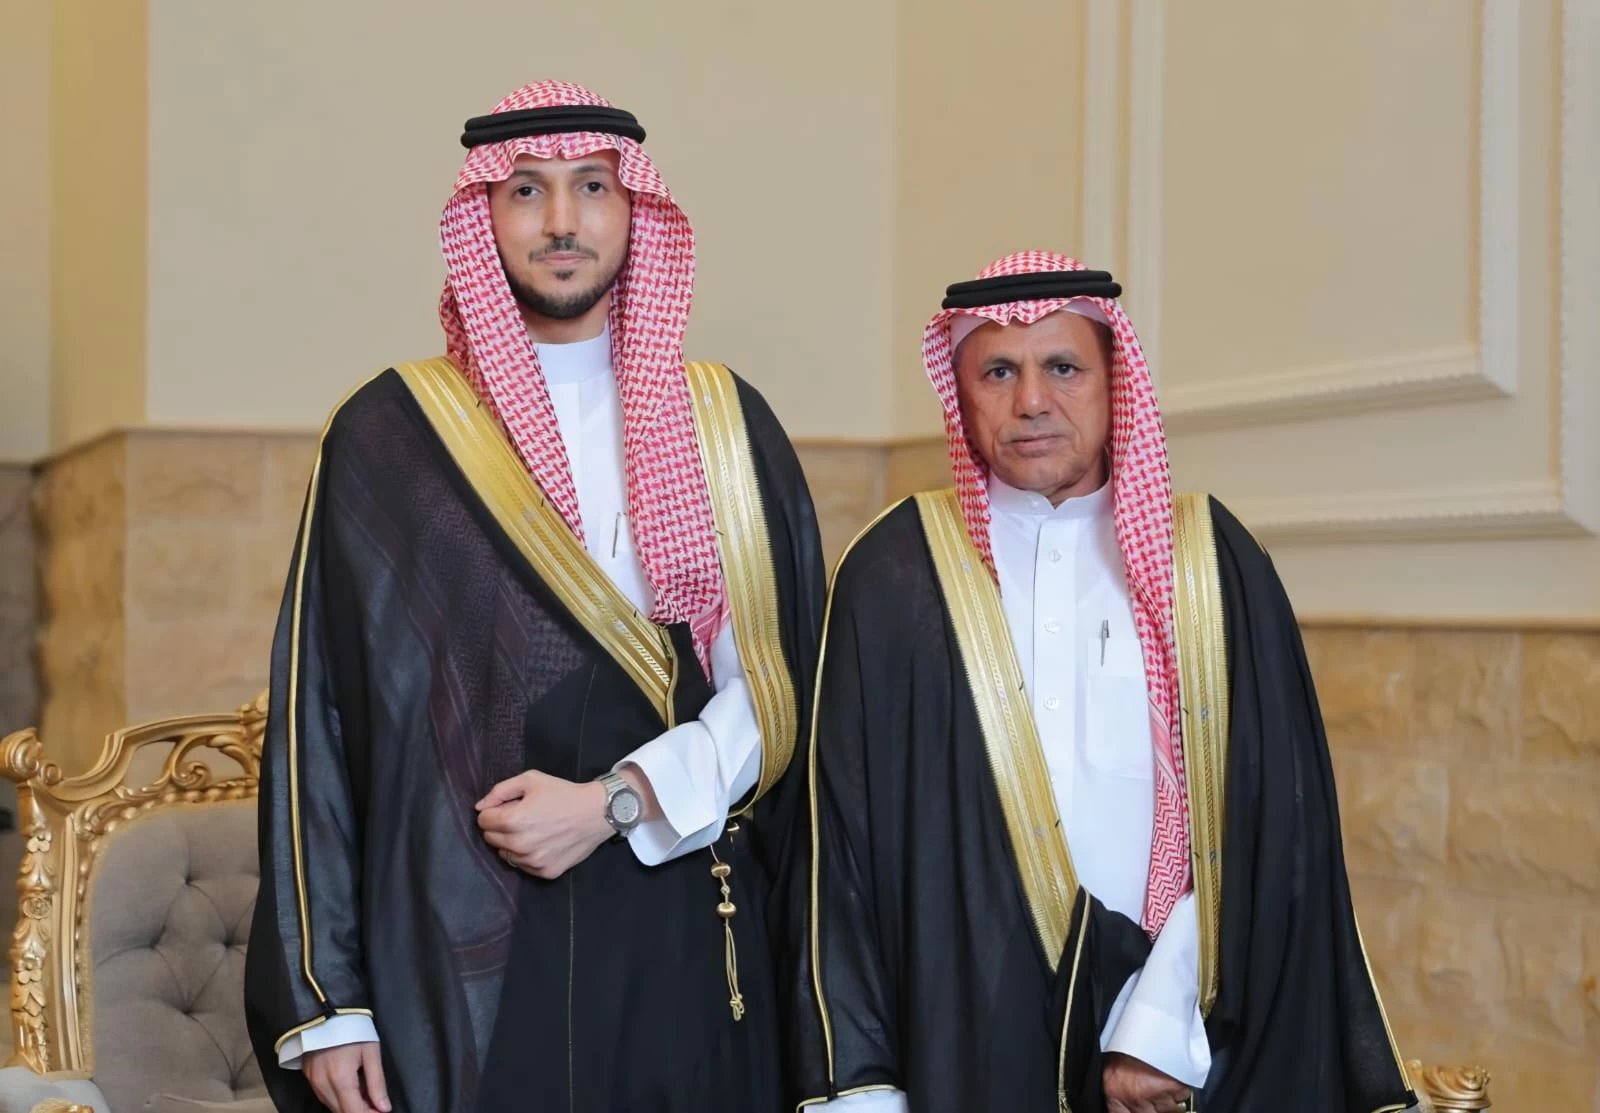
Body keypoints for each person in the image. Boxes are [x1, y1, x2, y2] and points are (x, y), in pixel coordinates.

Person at [244, 80, 825, 1113]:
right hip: (455, 936)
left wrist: (617, 801)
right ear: (484, 216)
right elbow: (318, 723)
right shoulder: (392, 434)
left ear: (634, 209)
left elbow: (780, 695)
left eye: (592, 186)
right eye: (525, 190)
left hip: (679, 922)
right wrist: (330, 1001)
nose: (562, 220)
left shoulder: (726, 425)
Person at [783, 252, 1416, 1113]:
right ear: (960, 391)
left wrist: (1157, 1028)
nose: (1031, 400)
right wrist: (860, 1087)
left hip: (1172, 1050)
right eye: (998, 371)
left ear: (1116, 381)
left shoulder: (1210, 564)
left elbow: (1268, 822)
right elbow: (839, 853)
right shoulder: (895, 572)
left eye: (1063, 367)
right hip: (957, 1039)